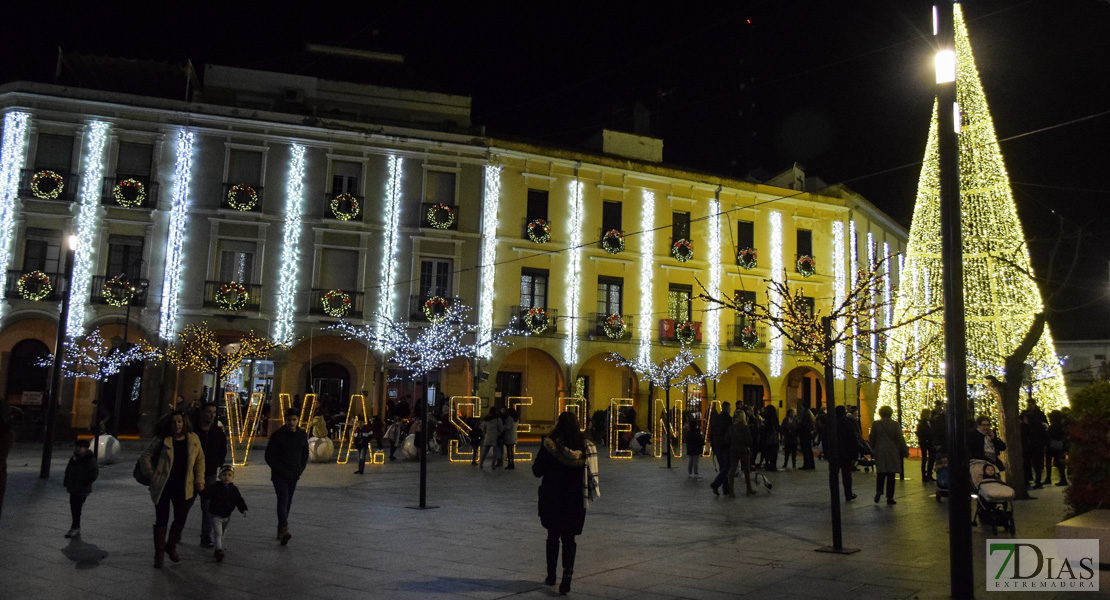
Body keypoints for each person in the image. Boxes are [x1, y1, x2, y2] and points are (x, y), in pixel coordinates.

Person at [532, 411, 599, 595]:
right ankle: (567, 575)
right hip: (575, 499)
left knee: (552, 536)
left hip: (552, 497)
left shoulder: (550, 444)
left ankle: (551, 574)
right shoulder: (585, 447)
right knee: (569, 539)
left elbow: (537, 471)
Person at [139, 411, 205, 568]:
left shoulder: (193, 439)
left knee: (181, 517)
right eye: (174, 422)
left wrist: (199, 479)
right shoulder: (163, 439)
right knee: (162, 519)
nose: (177, 424)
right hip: (164, 485)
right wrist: (152, 475)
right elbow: (145, 456)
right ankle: (159, 553)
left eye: (180, 421)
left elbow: (200, 460)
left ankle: (171, 545)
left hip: (183, 486)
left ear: (185, 423)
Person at [265, 408, 308, 546]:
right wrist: (278, 468)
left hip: (294, 474)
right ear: (285, 420)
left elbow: (305, 454)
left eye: (294, 420)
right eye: (289, 420)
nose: (291, 422)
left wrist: (300, 469)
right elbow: (269, 456)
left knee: (288, 501)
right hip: (280, 474)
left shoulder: (301, 435)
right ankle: (284, 527)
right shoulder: (278, 435)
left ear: (297, 420)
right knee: (283, 498)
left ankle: (281, 528)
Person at [193, 402, 227, 549]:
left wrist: (218, 462)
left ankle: (205, 536)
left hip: (210, 473)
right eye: (209, 412)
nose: (212, 415)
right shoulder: (194, 431)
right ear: (202, 413)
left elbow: (222, 449)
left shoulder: (217, 432)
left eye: (214, 412)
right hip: (192, 473)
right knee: (185, 503)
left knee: (207, 506)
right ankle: (177, 531)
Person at [203, 464, 248, 562]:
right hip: (215, 515)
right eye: (224, 475)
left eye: (229, 475)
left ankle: (219, 546)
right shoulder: (215, 487)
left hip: (227, 515)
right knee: (218, 533)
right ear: (219, 477)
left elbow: (239, 500)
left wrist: (243, 509)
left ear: (232, 477)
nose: (226, 477)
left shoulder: (233, 489)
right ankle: (218, 550)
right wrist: (201, 489)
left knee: (223, 532)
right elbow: (206, 494)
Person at [869, 405, 908, 505]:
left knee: (881, 473)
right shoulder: (895, 424)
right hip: (892, 451)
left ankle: (879, 491)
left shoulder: (876, 424)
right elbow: (900, 438)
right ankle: (890, 497)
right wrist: (904, 450)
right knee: (891, 474)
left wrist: (873, 448)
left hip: (880, 450)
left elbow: (872, 437)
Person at [63, 439, 98, 538]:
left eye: (80, 447)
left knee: (77, 508)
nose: (78, 449)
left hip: (82, 488)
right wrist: (67, 482)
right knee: (74, 507)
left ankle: (75, 527)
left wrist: (85, 482)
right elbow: (68, 470)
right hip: (73, 487)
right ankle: (75, 526)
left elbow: (94, 473)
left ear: (86, 448)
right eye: (77, 447)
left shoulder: (89, 459)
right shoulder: (74, 458)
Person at [727, 411, 755, 497]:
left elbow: (727, 440)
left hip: (734, 451)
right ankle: (748, 489)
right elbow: (749, 440)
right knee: (746, 470)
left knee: (732, 471)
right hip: (744, 451)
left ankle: (731, 491)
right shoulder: (745, 427)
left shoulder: (731, 428)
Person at [834, 406, 860, 501]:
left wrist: (826, 451)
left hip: (834, 453)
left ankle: (834, 494)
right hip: (846, 453)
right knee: (847, 475)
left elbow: (825, 437)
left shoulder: (832, 423)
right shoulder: (847, 423)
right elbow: (853, 439)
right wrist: (855, 453)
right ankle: (848, 494)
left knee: (833, 475)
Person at [708, 402, 732, 496]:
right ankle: (716, 484)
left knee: (722, 467)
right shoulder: (729, 419)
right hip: (726, 446)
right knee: (727, 466)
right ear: (728, 409)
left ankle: (725, 488)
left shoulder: (716, 419)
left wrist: (713, 446)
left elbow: (711, 434)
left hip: (717, 446)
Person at [1045, 410, 1068, 486]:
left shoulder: (1054, 426)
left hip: (1053, 446)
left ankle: (1049, 478)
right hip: (1058, 446)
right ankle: (1062, 478)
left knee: (1052, 462)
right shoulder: (1061, 426)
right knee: (1059, 463)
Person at [916, 408, 934, 482]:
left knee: (926, 458)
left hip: (925, 442)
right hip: (926, 442)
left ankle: (927, 474)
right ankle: (926, 475)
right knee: (926, 458)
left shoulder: (925, 422)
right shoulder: (924, 423)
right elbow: (923, 433)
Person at [760, 405, 779, 471]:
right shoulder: (775, 418)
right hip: (775, 438)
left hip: (769, 438)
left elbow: (768, 428)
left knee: (769, 452)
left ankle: (770, 465)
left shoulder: (768, 418)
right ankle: (773, 465)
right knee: (773, 453)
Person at [797, 403, 815, 470]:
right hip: (807, 433)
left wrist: (799, 424)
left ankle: (807, 464)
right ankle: (811, 464)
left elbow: (803, 424)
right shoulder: (809, 413)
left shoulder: (805, 414)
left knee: (805, 449)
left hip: (804, 433)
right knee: (809, 449)